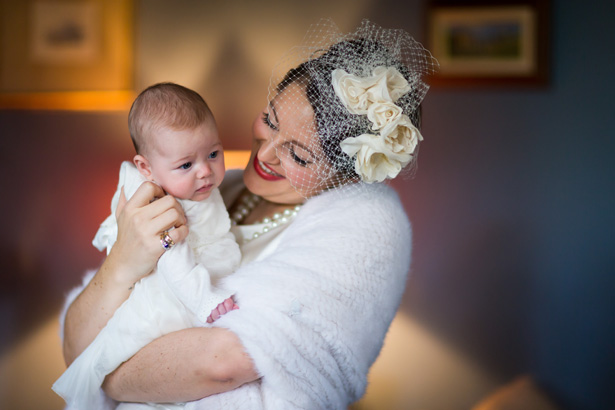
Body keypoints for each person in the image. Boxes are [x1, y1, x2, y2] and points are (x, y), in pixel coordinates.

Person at [59, 19, 439, 409]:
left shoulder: (360, 231)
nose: (266, 153)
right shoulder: (216, 190)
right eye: (270, 121)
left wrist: (96, 375)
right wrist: (122, 263)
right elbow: (75, 343)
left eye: (298, 154)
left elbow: (223, 361)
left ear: (343, 173)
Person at [53, 83, 241, 410]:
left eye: (213, 153)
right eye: (186, 165)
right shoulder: (161, 204)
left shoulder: (199, 187)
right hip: (176, 295)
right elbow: (173, 261)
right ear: (146, 168)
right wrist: (205, 299)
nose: (205, 172)